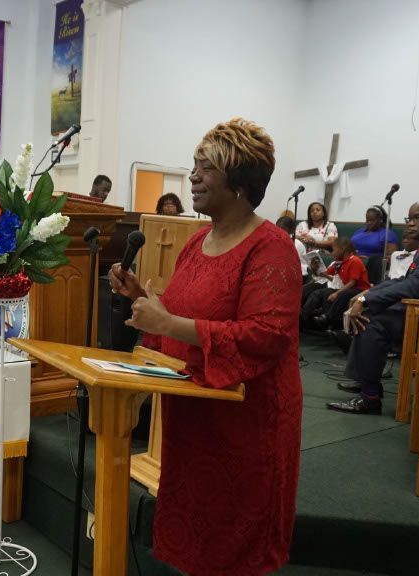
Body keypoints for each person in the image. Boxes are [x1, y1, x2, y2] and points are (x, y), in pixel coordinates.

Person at [109, 118, 301, 575]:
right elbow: (176, 320)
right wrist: (140, 297)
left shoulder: (271, 248)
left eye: (206, 168)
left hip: (247, 417)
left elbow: (267, 336)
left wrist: (170, 321)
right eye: (195, 166)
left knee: (238, 537)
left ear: (239, 181)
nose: (192, 176)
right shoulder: (198, 242)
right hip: (196, 409)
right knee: (200, 530)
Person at [327, 200, 419, 414]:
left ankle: (369, 396)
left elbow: (415, 286)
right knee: (371, 310)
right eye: (409, 218)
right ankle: (367, 381)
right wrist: (368, 293)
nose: (410, 224)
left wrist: (365, 301)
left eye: (418, 218)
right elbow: (405, 280)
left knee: (371, 320)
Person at [302, 237, 371, 331]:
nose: (332, 253)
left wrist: (336, 293)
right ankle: (304, 319)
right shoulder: (339, 263)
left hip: (360, 289)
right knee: (322, 293)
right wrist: (315, 268)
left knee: (342, 294)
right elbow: (325, 274)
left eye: (334, 250)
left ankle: (327, 317)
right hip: (348, 288)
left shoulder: (355, 261)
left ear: (342, 249)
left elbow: (352, 283)